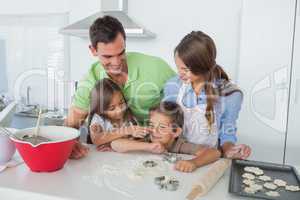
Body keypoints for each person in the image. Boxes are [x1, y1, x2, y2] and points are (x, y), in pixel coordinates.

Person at [64, 16, 175, 159]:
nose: (116, 62)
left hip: (159, 150)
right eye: (108, 57)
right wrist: (70, 143)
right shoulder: (90, 80)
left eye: (121, 53)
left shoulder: (156, 67)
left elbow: (183, 99)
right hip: (116, 153)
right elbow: (72, 123)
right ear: (93, 50)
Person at [164, 31, 251, 159]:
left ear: (203, 66)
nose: (180, 74)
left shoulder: (230, 95)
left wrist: (231, 150)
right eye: (178, 68)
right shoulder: (173, 86)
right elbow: (166, 123)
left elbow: (227, 134)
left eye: (185, 69)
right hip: (176, 156)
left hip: (208, 158)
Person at [111, 101, 221, 173]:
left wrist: (193, 163)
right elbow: (115, 144)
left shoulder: (180, 145)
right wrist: (148, 147)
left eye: (162, 127)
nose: (154, 131)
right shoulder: (147, 138)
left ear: (176, 132)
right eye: (152, 125)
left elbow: (215, 153)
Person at [87, 78, 149, 151]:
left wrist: (114, 146)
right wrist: (127, 130)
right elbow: (96, 139)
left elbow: (141, 141)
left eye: (121, 103)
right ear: (100, 111)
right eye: (112, 108)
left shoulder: (129, 115)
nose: (120, 110)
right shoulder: (98, 119)